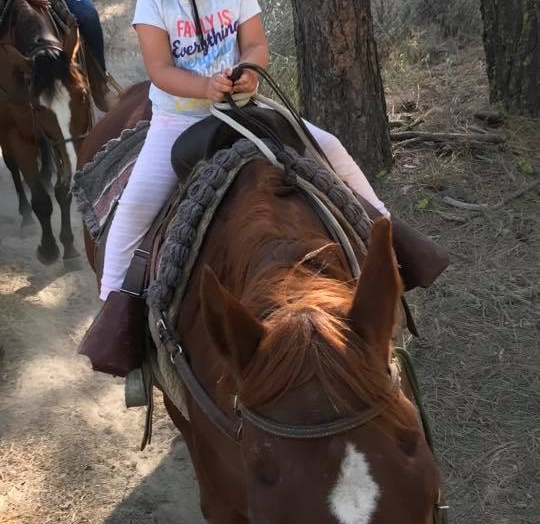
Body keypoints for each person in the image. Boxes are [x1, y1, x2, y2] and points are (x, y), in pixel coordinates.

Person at [99, 0, 390, 302]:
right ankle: (112, 302)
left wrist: (249, 70)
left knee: (329, 146)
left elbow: (255, 45)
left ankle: (386, 234)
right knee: (137, 203)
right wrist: (205, 87)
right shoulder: (153, 4)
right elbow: (159, 69)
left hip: (244, 109)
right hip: (179, 119)